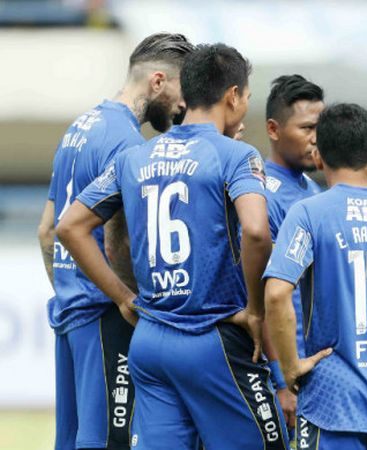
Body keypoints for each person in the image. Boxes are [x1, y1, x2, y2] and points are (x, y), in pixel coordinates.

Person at [58, 43, 325, 450]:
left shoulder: (137, 156)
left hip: (149, 343)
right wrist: (255, 311)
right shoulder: (236, 155)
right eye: (247, 98)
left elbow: (70, 226)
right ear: (232, 95)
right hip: (211, 338)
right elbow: (256, 231)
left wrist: (124, 298)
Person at [36, 32, 193, 450]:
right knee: (110, 440)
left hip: (70, 313)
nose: (183, 106)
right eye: (182, 91)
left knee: (70, 439)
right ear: (158, 82)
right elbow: (114, 242)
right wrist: (126, 298)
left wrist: (70, 292)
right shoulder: (126, 142)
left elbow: (48, 230)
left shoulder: (80, 127)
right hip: (104, 317)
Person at [264, 103, 367, 450]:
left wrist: (290, 369)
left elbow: (277, 294)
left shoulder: (308, 214)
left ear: (319, 157)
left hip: (332, 401)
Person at [260, 74, 325, 428]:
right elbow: (262, 292)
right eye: (306, 128)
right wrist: (282, 380)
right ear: (273, 129)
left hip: (315, 363)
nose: (317, 138)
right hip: (285, 369)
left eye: (321, 127)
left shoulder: (314, 189)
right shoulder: (261, 194)